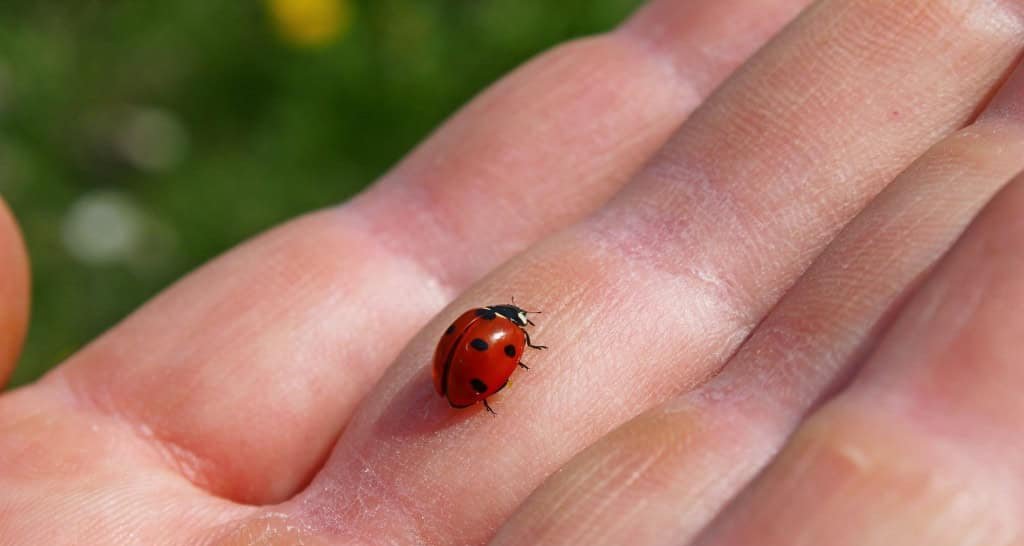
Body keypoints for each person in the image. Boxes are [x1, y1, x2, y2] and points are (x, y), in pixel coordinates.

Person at [2, 0, 1023, 544]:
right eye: (506, 344)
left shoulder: (482, 336)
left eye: (504, 344)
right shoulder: (493, 338)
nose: (506, 344)